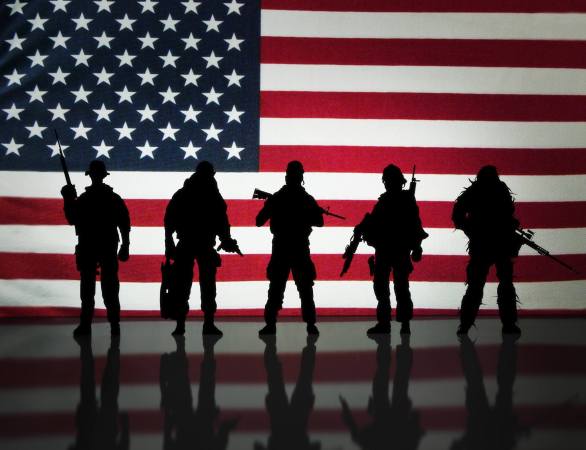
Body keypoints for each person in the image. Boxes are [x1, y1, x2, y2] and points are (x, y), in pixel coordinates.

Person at [164, 161, 240, 336]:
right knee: (196, 284)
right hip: (197, 244)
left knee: (191, 284)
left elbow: (221, 220)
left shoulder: (186, 194)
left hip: (193, 244)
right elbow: (170, 219)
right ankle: (198, 324)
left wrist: (226, 238)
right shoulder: (209, 195)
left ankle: (188, 324)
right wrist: (225, 238)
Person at [61, 160, 130, 337]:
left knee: (102, 289)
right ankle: (98, 325)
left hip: (98, 246)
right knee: (97, 289)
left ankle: (106, 325)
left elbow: (124, 223)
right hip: (94, 246)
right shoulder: (106, 198)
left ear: (92, 175)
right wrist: (69, 200)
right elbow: (73, 219)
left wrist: (125, 245)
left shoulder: (89, 199)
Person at [256, 161, 323, 336]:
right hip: (292, 248)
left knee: (290, 288)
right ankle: (307, 324)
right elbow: (258, 221)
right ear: (301, 178)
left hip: (287, 248)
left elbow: (319, 221)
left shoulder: (281, 198)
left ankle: (273, 324)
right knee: (296, 288)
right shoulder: (301, 199)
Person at [452, 165, 521, 336]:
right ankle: (470, 325)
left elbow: (507, 217)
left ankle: (470, 325)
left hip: (495, 244)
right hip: (487, 244)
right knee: (483, 286)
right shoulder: (496, 190)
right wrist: (471, 230)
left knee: (491, 286)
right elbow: (458, 217)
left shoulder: (484, 191)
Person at [361, 164, 427, 335]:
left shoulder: (404, 201)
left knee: (400, 287)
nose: (387, 183)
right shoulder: (386, 201)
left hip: (397, 250)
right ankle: (387, 323)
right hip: (386, 249)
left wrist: (417, 247)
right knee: (384, 287)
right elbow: (374, 222)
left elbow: (415, 225)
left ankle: (401, 324)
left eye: (389, 180)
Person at [340, 335, 424, 450]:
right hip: (392, 418)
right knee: (391, 380)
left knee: (395, 380)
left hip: (389, 418)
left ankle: (396, 342)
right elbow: (357, 434)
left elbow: (357, 435)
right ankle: (390, 343)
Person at [160, 335, 238, 450]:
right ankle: (185, 344)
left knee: (200, 386)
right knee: (189, 386)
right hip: (194, 427)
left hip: (193, 427)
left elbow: (221, 438)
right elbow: (167, 441)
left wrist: (227, 427)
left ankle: (204, 346)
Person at [255, 335, 319, 450]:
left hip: (289, 423)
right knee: (279, 378)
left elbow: (316, 446)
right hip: (287, 423)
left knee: (302, 377)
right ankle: (271, 344)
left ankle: (310, 344)